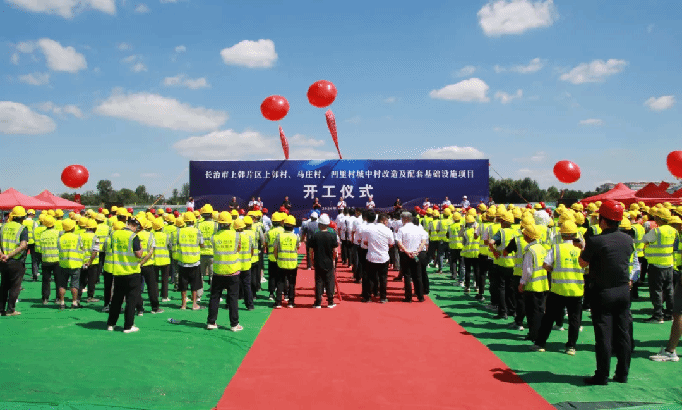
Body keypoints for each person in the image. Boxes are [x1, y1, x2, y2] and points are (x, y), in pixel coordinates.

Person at [579, 200, 634, 385]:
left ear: (603, 220)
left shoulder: (596, 240)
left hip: (603, 292)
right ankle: (622, 373)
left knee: (603, 334)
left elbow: (582, 263)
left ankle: (602, 374)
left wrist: (582, 249)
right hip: (623, 291)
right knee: (623, 333)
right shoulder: (628, 239)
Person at [530, 221, 585, 355]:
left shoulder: (556, 248)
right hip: (576, 290)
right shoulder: (580, 250)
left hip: (558, 289)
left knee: (549, 317)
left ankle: (541, 343)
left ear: (562, 235)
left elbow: (545, 265)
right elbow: (586, 267)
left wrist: (555, 270)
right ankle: (571, 346)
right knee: (574, 319)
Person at [107, 215, 143, 333]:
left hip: (118, 271)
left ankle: (111, 324)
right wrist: (141, 248)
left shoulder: (114, 234)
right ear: (134, 226)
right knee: (131, 300)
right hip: (132, 272)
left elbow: (113, 248)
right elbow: (138, 254)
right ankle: (128, 326)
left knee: (116, 299)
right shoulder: (133, 237)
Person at [207, 212, 243, 331]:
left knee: (214, 297)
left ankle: (211, 322)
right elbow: (238, 248)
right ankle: (234, 324)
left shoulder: (214, 237)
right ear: (230, 223)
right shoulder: (237, 235)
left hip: (218, 272)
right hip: (233, 271)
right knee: (233, 298)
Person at [642, 208, 677, 323]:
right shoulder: (674, 230)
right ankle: (670, 314)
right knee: (669, 290)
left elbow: (644, 239)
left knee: (657, 290)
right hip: (669, 264)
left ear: (659, 218)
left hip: (656, 265)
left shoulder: (656, 231)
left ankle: (658, 316)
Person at [0, 206, 29, 316]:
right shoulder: (22, 228)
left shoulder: (3, 227)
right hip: (15, 261)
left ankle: (1, 309)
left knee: (3, 286)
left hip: (3, 261)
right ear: (22, 217)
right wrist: (9, 255)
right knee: (15, 286)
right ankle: (11, 310)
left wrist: (2, 255)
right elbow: (23, 246)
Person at [308, 214, 338, 308]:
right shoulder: (332, 236)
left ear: (320, 224)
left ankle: (318, 302)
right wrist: (333, 259)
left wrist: (312, 260)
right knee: (330, 281)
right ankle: (330, 301)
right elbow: (335, 251)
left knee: (319, 281)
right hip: (329, 261)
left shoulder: (315, 235)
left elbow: (310, 251)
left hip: (318, 261)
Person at [362, 213, 394, 303]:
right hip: (383, 257)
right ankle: (383, 297)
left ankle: (368, 297)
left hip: (371, 257)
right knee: (383, 278)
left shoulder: (369, 229)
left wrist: (373, 245)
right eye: (387, 221)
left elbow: (365, 242)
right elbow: (391, 243)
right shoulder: (388, 230)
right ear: (384, 221)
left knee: (370, 278)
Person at [396, 212, 427, 302]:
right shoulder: (419, 229)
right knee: (418, 275)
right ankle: (420, 296)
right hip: (416, 254)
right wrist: (417, 251)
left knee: (407, 276)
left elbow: (399, 243)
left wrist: (406, 251)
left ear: (405, 219)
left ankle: (408, 297)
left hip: (406, 255)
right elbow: (423, 241)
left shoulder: (401, 229)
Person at [135, 218, 163, 315]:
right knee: (152, 287)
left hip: (136, 265)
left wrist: (139, 263)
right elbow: (151, 251)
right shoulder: (151, 235)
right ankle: (155, 308)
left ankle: (139, 309)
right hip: (148, 265)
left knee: (137, 288)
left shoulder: (135, 235)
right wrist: (143, 262)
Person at [177, 211, 204, 310]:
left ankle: (183, 305)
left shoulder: (180, 231)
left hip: (183, 261)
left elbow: (177, 242)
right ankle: (194, 304)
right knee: (195, 284)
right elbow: (202, 244)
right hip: (194, 261)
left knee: (183, 285)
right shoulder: (197, 231)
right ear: (193, 220)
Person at [57, 218, 85, 309]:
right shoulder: (78, 237)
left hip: (63, 263)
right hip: (75, 264)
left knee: (62, 284)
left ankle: (62, 303)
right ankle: (74, 303)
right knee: (74, 284)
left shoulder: (60, 238)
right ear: (73, 227)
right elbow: (82, 249)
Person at [273, 215, 299, 308]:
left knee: (280, 282)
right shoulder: (296, 237)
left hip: (281, 263)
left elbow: (275, 250)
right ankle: (291, 302)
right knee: (292, 283)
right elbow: (297, 248)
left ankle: (278, 302)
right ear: (293, 226)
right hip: (292, 264)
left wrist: (277, 258)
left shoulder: (279, 236)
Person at [79, 219, 101, 304]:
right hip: (92, 262)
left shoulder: (80, 236)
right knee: (92, 280)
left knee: (82, 280)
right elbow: (95, 251)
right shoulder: (95, 237)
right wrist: (90, 261)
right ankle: (90, 297)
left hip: (81, 260)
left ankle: (78, 296)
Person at [151, 216, 172, 302]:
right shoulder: (166, 236)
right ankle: (164, 296)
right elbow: (170, 247)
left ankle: (155, 296)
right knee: (165, 280)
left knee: (155, 280)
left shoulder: (152, 236)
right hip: (165, 260)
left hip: (154, 260)